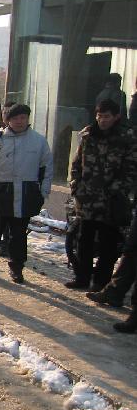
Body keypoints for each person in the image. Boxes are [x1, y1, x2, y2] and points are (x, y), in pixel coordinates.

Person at [66, 99, 137, 290]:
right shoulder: (89, 134)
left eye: (106, 116)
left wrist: (117, 190)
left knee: (108, 243)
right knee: (84, 241)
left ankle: (101, 282)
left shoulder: (127, 137)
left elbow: (131, 169)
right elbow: (76, 163)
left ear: (116, 117)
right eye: (99, 116)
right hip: (87, 198)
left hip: (111, 201)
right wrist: (76, 186)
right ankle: (82, 277)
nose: (102, 120)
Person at [0, 104, 52, 283]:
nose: (19, 121)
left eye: (23, 117)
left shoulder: (38, 141)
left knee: (18, 234)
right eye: (15, 118)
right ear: (8, 120)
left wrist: (43, 192)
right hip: (1, 191)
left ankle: (17, 267)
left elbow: (46, 167)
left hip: (26, 193)